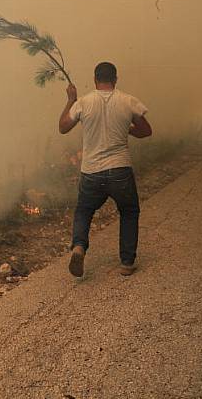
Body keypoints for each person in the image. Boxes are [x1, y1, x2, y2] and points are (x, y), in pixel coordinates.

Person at [58, 61, 152, 277]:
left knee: (84, 210)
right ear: (115, 79)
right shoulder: (128, 101)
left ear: (95, 80)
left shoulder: (83, 102)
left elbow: (63, 127)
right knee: (129, 211)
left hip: (91, 171)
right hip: (120, 170)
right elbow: (146, 131)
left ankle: (79, 246)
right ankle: (127, 263)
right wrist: (127, 130)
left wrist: (70, 100)